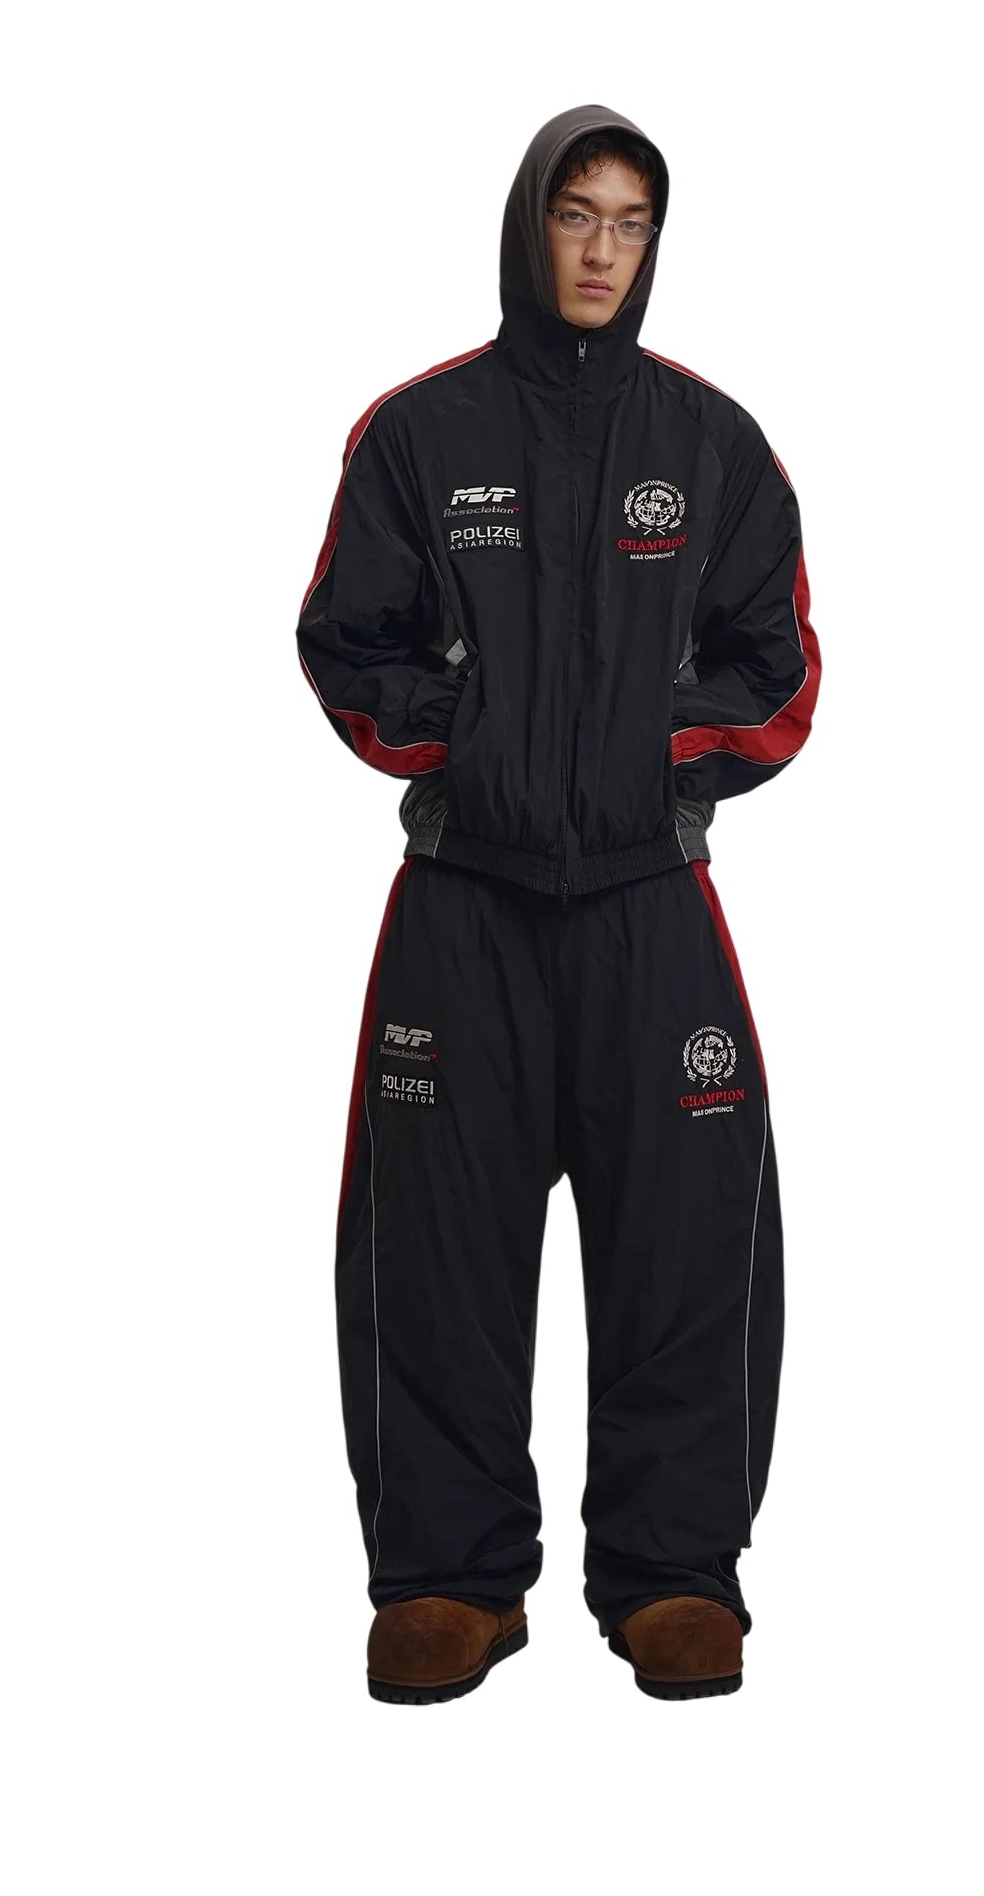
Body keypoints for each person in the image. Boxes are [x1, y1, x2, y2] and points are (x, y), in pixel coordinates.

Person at [296, 102, 821, 1703]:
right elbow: (343, 645)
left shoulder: (714, 445)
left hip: (655, 908)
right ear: (530, 225)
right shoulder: (418, 434)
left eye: (630, 223)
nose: (602, 249)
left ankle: (675, 1575)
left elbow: (781, 672)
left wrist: (649, 755)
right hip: (464, 906)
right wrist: (480, 742)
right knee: (434, 1248)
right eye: (576, 215)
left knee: (689, 1243)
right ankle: (449, 1578)